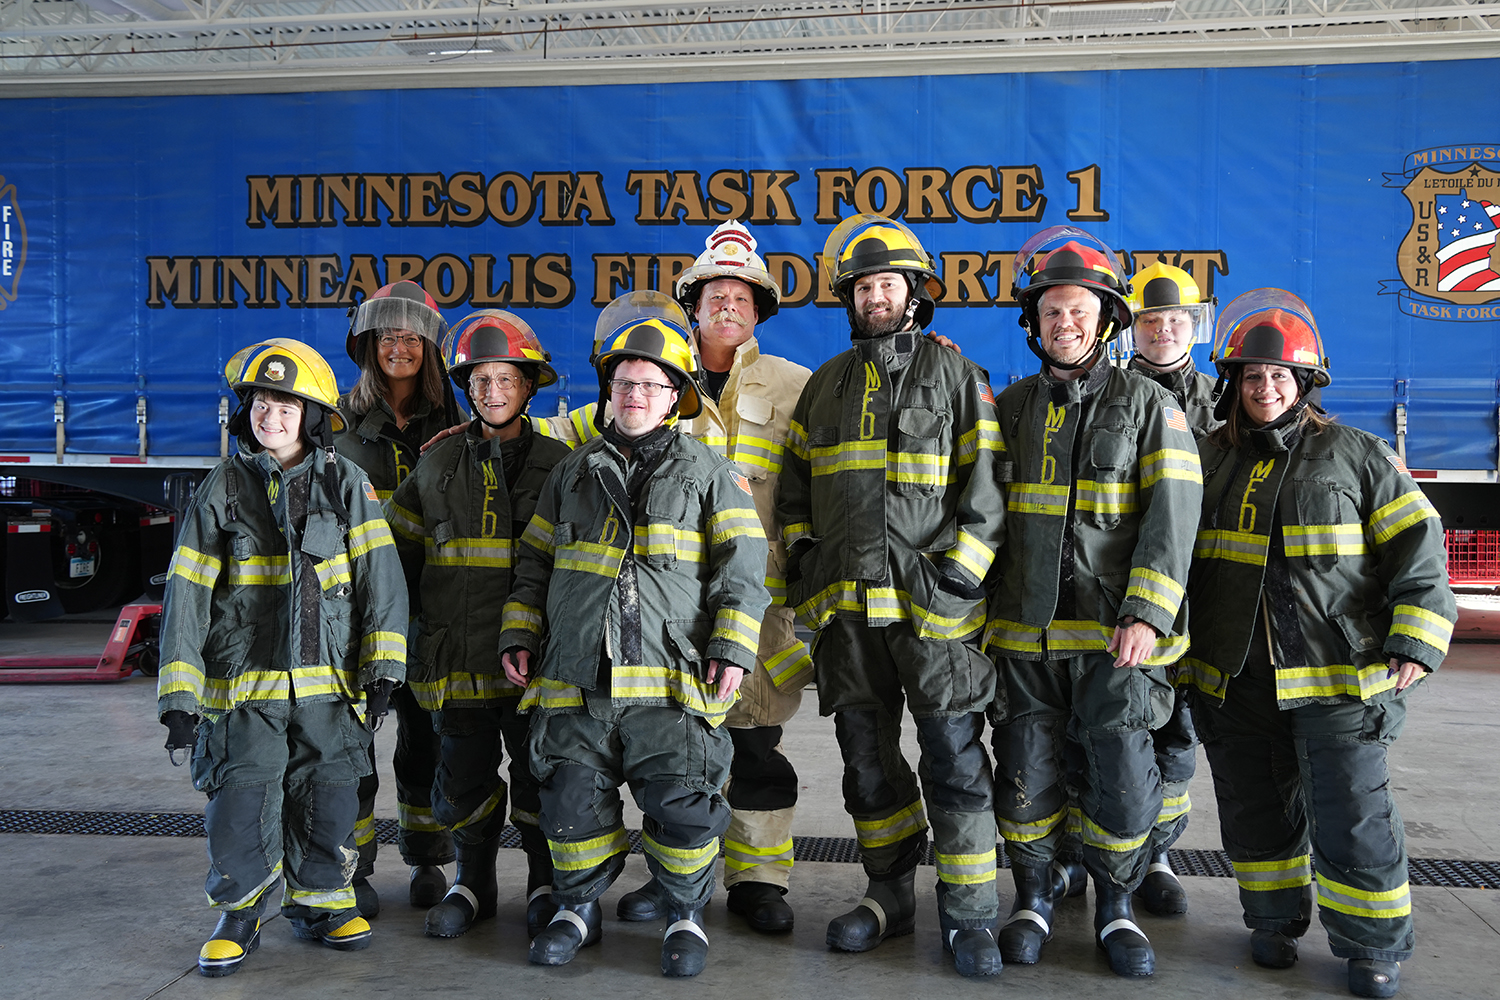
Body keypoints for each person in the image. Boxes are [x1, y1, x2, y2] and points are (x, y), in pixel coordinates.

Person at [1181, 289, 1454, 999]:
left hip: (1338, 676)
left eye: (1279, 377)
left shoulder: (1356, 455)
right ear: (1232, 385)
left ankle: (1371, 946)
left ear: (1305, 385)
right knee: (1252, 808)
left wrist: (1415, 640)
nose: (1265, 388)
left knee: (1353, 814)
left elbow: (1420, 551)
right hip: (1237, 678)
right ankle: (1271, 922)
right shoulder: (1207, 461)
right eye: (1251, 377)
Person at [498, 293, 771, 978]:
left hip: (672, 678)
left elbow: (744, 565)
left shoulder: (709, 472)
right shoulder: (571, 472)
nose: (637, 394)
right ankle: (577, 909)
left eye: (652, 384)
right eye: (625, 382)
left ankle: (685, 914)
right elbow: (534, 563)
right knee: (570, 801)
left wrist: (732, 647)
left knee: (682, 802)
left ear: (675, 395)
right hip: (576, 677)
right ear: (608, 390)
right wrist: (519, 634)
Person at [776, 214, 1006, 977]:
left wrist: (961, 577)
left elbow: (989, 487)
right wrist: (808, 569)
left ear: (915, 293)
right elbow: (798, 492)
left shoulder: (956, 377)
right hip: (847, 615)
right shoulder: (825, 388)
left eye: (889, 283)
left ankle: (970, 914)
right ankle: (888, 894)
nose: (876, 295)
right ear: (851, 298)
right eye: (864, 285)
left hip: (932, 613)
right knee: (865, 761)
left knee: (952, 756)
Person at [985, 226, 1201, 977]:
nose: (1064, 324)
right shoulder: (1008, 408)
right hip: (1024, 637)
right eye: (1050, 313)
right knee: (1024, 771)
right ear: (1033, 323)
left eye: (1078, 311)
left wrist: (1146, 611)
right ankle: (1033, 897)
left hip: (1117, 638)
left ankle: (1116, 906)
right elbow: (983, 516)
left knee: (1123, 774)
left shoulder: (1151, 407)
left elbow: (1174, 517)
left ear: (1106, 319)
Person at [157, 338, 407, 976]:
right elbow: (187, 594)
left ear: (313, 416)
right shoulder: (222, 488)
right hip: (243, 693)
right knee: (241, 803)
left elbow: (382, 581)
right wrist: (179, 698)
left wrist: (384, 668)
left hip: (330, 691)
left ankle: (322, 903)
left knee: (329, 799)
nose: (272, 416)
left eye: (287, 405)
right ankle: (239, 914)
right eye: (262, 403)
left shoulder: (348, 484)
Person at [608, 221, 814, 935]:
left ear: (760, 310)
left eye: (742, 297)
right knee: (677, 750)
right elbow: (585, 430)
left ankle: (759, 880)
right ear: (692, 305)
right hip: (669, 604)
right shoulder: (655, 370)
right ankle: (677, 878)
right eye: (715, 295)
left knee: (756, 747)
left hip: (759, 603)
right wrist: (489, 430)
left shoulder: (797, 386)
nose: (728, 306)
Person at [384, 311, 571, 941]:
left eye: (506, 379)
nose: (493, 391)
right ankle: (473, 882)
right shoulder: (436, 467)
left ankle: (544, 883)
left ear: (528, 385)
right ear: (467, 387)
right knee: (461, 779)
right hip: (456, 659)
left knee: (539, 775)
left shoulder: (562, 465)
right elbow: (397, 562)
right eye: (481, 380)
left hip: (534, 663)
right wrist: (407, 642)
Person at [337, 280, 466, 915]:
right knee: (350, 740)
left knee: (426, 738)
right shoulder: (337, 422)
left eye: (412, 337)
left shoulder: (458, 422)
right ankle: (353, 867)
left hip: (431, 606)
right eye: (388, 336)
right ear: (368, 345)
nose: (400, 347)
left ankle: (426, 856)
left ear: (430, 348)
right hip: (356, 609)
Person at [1120, 260, 1221, 915]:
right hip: (1124, 595)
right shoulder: (1108, 391)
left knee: (1179, 733)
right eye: (1151, 320)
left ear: (1194, 326)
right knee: (1116, 729)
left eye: (1174, 320)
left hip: (1203, 596)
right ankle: (1103, 853)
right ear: (1134, 327)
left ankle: (1158, 853)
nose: (1162, 330)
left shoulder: (1226, 398)